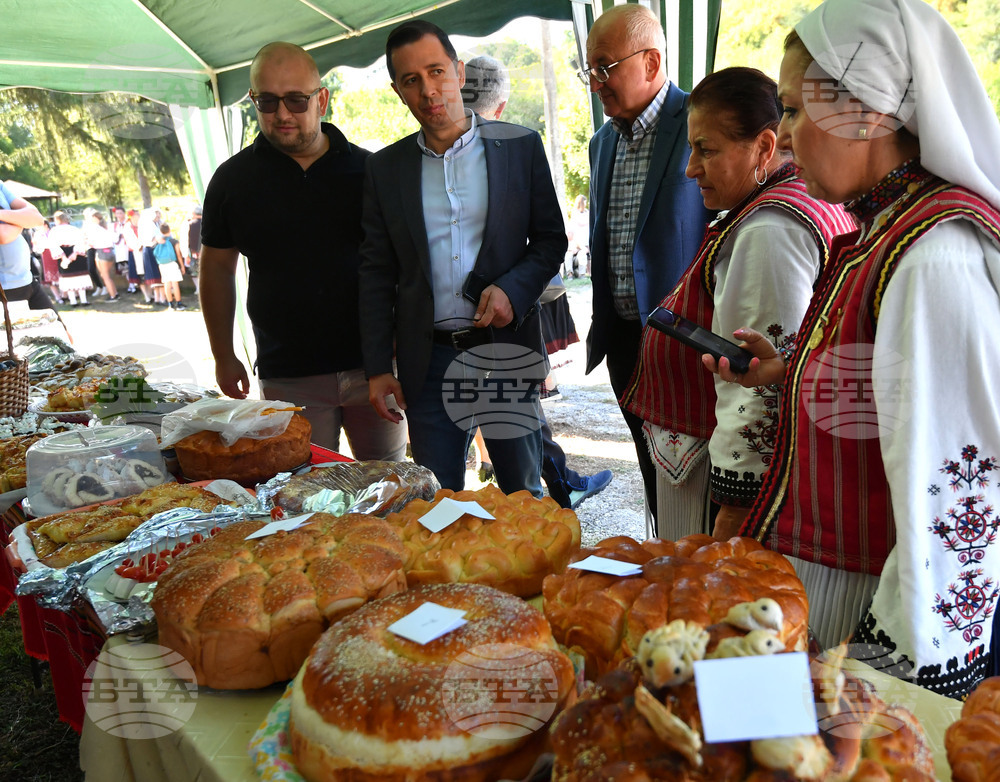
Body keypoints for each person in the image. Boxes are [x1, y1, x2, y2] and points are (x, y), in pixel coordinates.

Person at [709, 0, 1000, 699]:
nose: (782, 134)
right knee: (738, 743)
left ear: (867, 113)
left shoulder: (935, 254)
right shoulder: (885, 230)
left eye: (795, 112)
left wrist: (885, 680)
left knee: (805, 757)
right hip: (819, 581)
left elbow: (951, 493)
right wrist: (790, 371)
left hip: (867, 611)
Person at [621, 67, 855, 540]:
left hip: (721, 483)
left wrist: (736, 503)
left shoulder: (769, 230)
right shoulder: (782, 206)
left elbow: (757, 385)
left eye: (706, 150)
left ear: (764, 148)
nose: (690, 168)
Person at [359, 20, 565, 497]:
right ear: (398, 91)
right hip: (426, 361)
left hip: (502, 351)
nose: (428, 90)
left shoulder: (519, 147)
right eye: (411, 80)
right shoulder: (385, 169)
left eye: (436, 71)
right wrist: (377, 368)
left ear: (458, 70)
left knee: (522, 496)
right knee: (437, 501)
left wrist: (513, 289)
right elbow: (375, 272)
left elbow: (551, 241)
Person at [199, 42, 406, 461]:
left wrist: (400, 354)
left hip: (375, 368)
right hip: (287, 374)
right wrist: (224, 355)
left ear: (322, 99)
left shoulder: (371, 171)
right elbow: (217, 268)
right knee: (303, 498)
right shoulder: (232, 180)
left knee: (389, 489)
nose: (282, 114)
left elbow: (403, 267)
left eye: (296, 99)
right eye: (267, 101)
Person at [582, 3, 712, 532]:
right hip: (624, 341)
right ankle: (666, 559)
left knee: (698, 479)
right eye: (589, 69)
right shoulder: (601, 142)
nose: (595, 83)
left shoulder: (701, 126)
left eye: (605, 67)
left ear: (653, 63)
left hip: (686, 346)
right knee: (650, 466)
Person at [464, 53, 613, 509]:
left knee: (519, 417)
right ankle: (558, 481)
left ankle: (558, 478)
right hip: (500, 325)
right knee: (517, 420)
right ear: (503, 105)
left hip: (481, 326)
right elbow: (550, 240)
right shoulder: (520, 148)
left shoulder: (417, 157)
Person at [0, 182, 48, 307]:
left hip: (27, 281)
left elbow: (37, 218)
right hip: (4, 290)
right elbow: (4, 235)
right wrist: (21, 219)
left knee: (57, 326)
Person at [47, 211, 91, 307]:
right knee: (79, 277)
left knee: (69, 277)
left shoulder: (54, 231)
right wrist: (74, 253)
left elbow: (53, 245)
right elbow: (81, 242)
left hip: (64, 253)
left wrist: (63, 256)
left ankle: (73, 301)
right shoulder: (74, 229)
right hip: (76, 253)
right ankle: (83, 300)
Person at [82, 207, 119, 300]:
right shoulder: (105, 227)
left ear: (94, 218)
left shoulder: (95, 228)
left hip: (102, 251)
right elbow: (115, 239)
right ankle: (114, 293)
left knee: (105, 276)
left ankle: (113, 296)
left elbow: (90, 241)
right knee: (105, 275)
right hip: (109, 251)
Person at [153, 223, 186, 310]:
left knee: (166, 284)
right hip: (172, 264)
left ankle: (170, 304)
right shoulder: (174, 241)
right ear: (169, 230)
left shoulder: (158, 242)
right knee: (175, 284)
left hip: (162, 264)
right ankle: (179, 303)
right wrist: (182, 266)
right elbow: (178, 255)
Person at [137, 207, 164, 305]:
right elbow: (149, 240)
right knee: (155, 275)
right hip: (151, 250)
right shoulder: (147, 224)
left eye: (158, 213)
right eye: (155, 213)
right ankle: (158, 298)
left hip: (158, 250)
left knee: (160, 274)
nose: (158, 216)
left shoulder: (159, 223)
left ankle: (161, 298)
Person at [566, 194, 590, 277]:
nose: (586, 204)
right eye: (585, 203)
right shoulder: (574, 216)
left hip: (585, 245)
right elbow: (571, 235)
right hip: (575, 245)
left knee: (582, 254)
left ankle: (582, 274)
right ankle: (569, 274)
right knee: (568, 255)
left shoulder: (588, 215)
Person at [183, 205, 202, 295]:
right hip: (207, 251)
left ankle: (199, 288)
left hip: (194, 252)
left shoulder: (190, 224)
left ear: (194, 214)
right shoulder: (208, 222)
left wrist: (186, 254)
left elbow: (186, 241)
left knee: (195, 271)